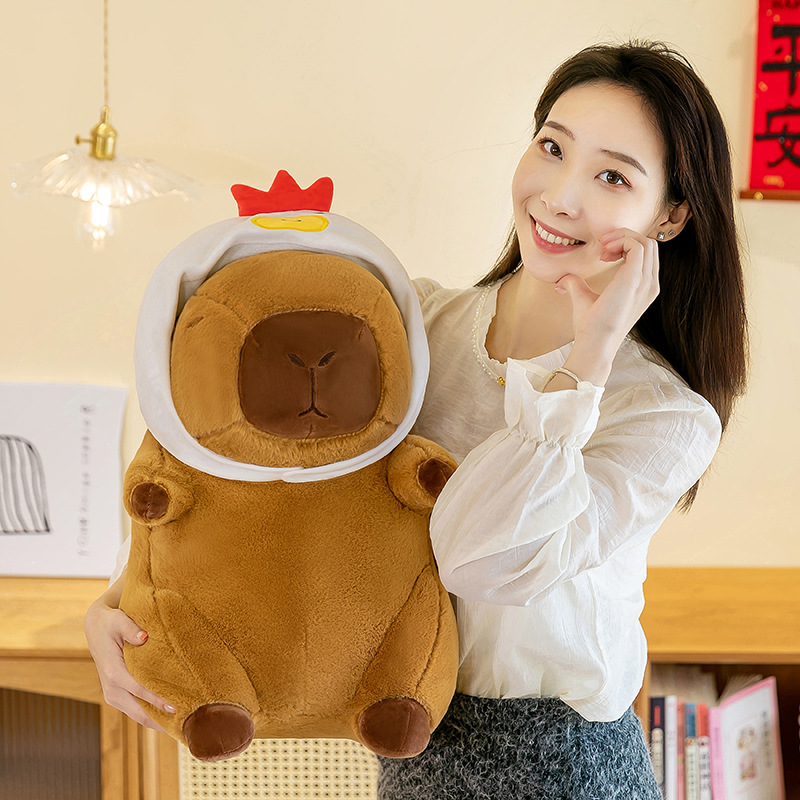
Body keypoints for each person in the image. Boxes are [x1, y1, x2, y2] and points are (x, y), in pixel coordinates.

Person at [85, 39, 747, 799]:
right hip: (410, 742)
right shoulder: (419, 327)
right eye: (552, 147)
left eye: (612, 176)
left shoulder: (662, 415)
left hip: (564, 768)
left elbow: (481, 561)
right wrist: (116, 601)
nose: (561, 195)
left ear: (671, 216)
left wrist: (588, 359)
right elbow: (267, 471)